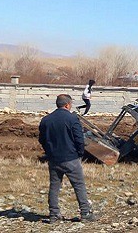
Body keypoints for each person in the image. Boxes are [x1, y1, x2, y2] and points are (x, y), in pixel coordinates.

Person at [38, 94, 96, 223]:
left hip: (54, 160)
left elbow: (42, 140)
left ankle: (54, 215)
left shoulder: (46, 120)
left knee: (54, 186)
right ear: (67, 105)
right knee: (79, 185)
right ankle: (85, 213)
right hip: (71, 159)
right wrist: (79, 153)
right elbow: (79, 139)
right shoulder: (72, 119)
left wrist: (49, 152)